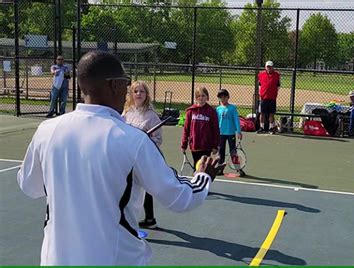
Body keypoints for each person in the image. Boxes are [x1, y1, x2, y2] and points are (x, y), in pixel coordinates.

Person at [17, 51, 223, 265]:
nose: (127, 90)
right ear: (114, 84)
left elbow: (29, 186)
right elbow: (180, 197)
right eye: (125, 83)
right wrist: (203, 176)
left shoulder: (47, 131)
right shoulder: (134, 141)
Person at [122, 81, 162, 229]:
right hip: (127, 156)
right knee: (127, 187)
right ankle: (127, 218)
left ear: (147, 95)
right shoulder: (126, 112)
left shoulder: (152, 116)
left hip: (143, 158)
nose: (139, 94)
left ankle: (149, 218)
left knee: (145, 187)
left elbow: (158, 139)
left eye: (142, 91)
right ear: (131, 94)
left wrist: (146, 143)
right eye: (136, 91)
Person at [181, 86, 220, 166]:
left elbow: (215, 129)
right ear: (196, 98)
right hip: (194, 145)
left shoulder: (212, 111)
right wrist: (184, 144)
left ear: (207, 97)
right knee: (197, 165)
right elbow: (186, 129)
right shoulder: (190, 111)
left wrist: (215, 145)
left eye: (203, 96)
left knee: (204, 166)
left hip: (206, 146)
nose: (201, 98)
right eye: (199, 96)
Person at [216, 89, 245, 177]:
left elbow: (236, 120)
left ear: (228, 97)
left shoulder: (232, 108)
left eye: (224, 97)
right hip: (221, 134)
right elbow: (216, 122)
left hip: (231, 133)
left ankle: (238, 169)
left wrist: (239, 132)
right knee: (221, 152)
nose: (223, 99)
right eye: (221, 97)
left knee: (233, 151)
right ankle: (220, 169)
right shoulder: (217, 109)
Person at [257, 60, 280, 134]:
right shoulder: (261, 75)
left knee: (271, 113)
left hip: (272, 98)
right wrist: (262, 93)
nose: (269, 68)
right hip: (264, 98)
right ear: (265, 67)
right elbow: (259, 85)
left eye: (270, 66)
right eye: (268, 66)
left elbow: (278, 86)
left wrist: (274, 93)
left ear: (273, 67)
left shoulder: (277, 75)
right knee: (262, 113)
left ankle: (271, 128)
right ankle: (261, 127)